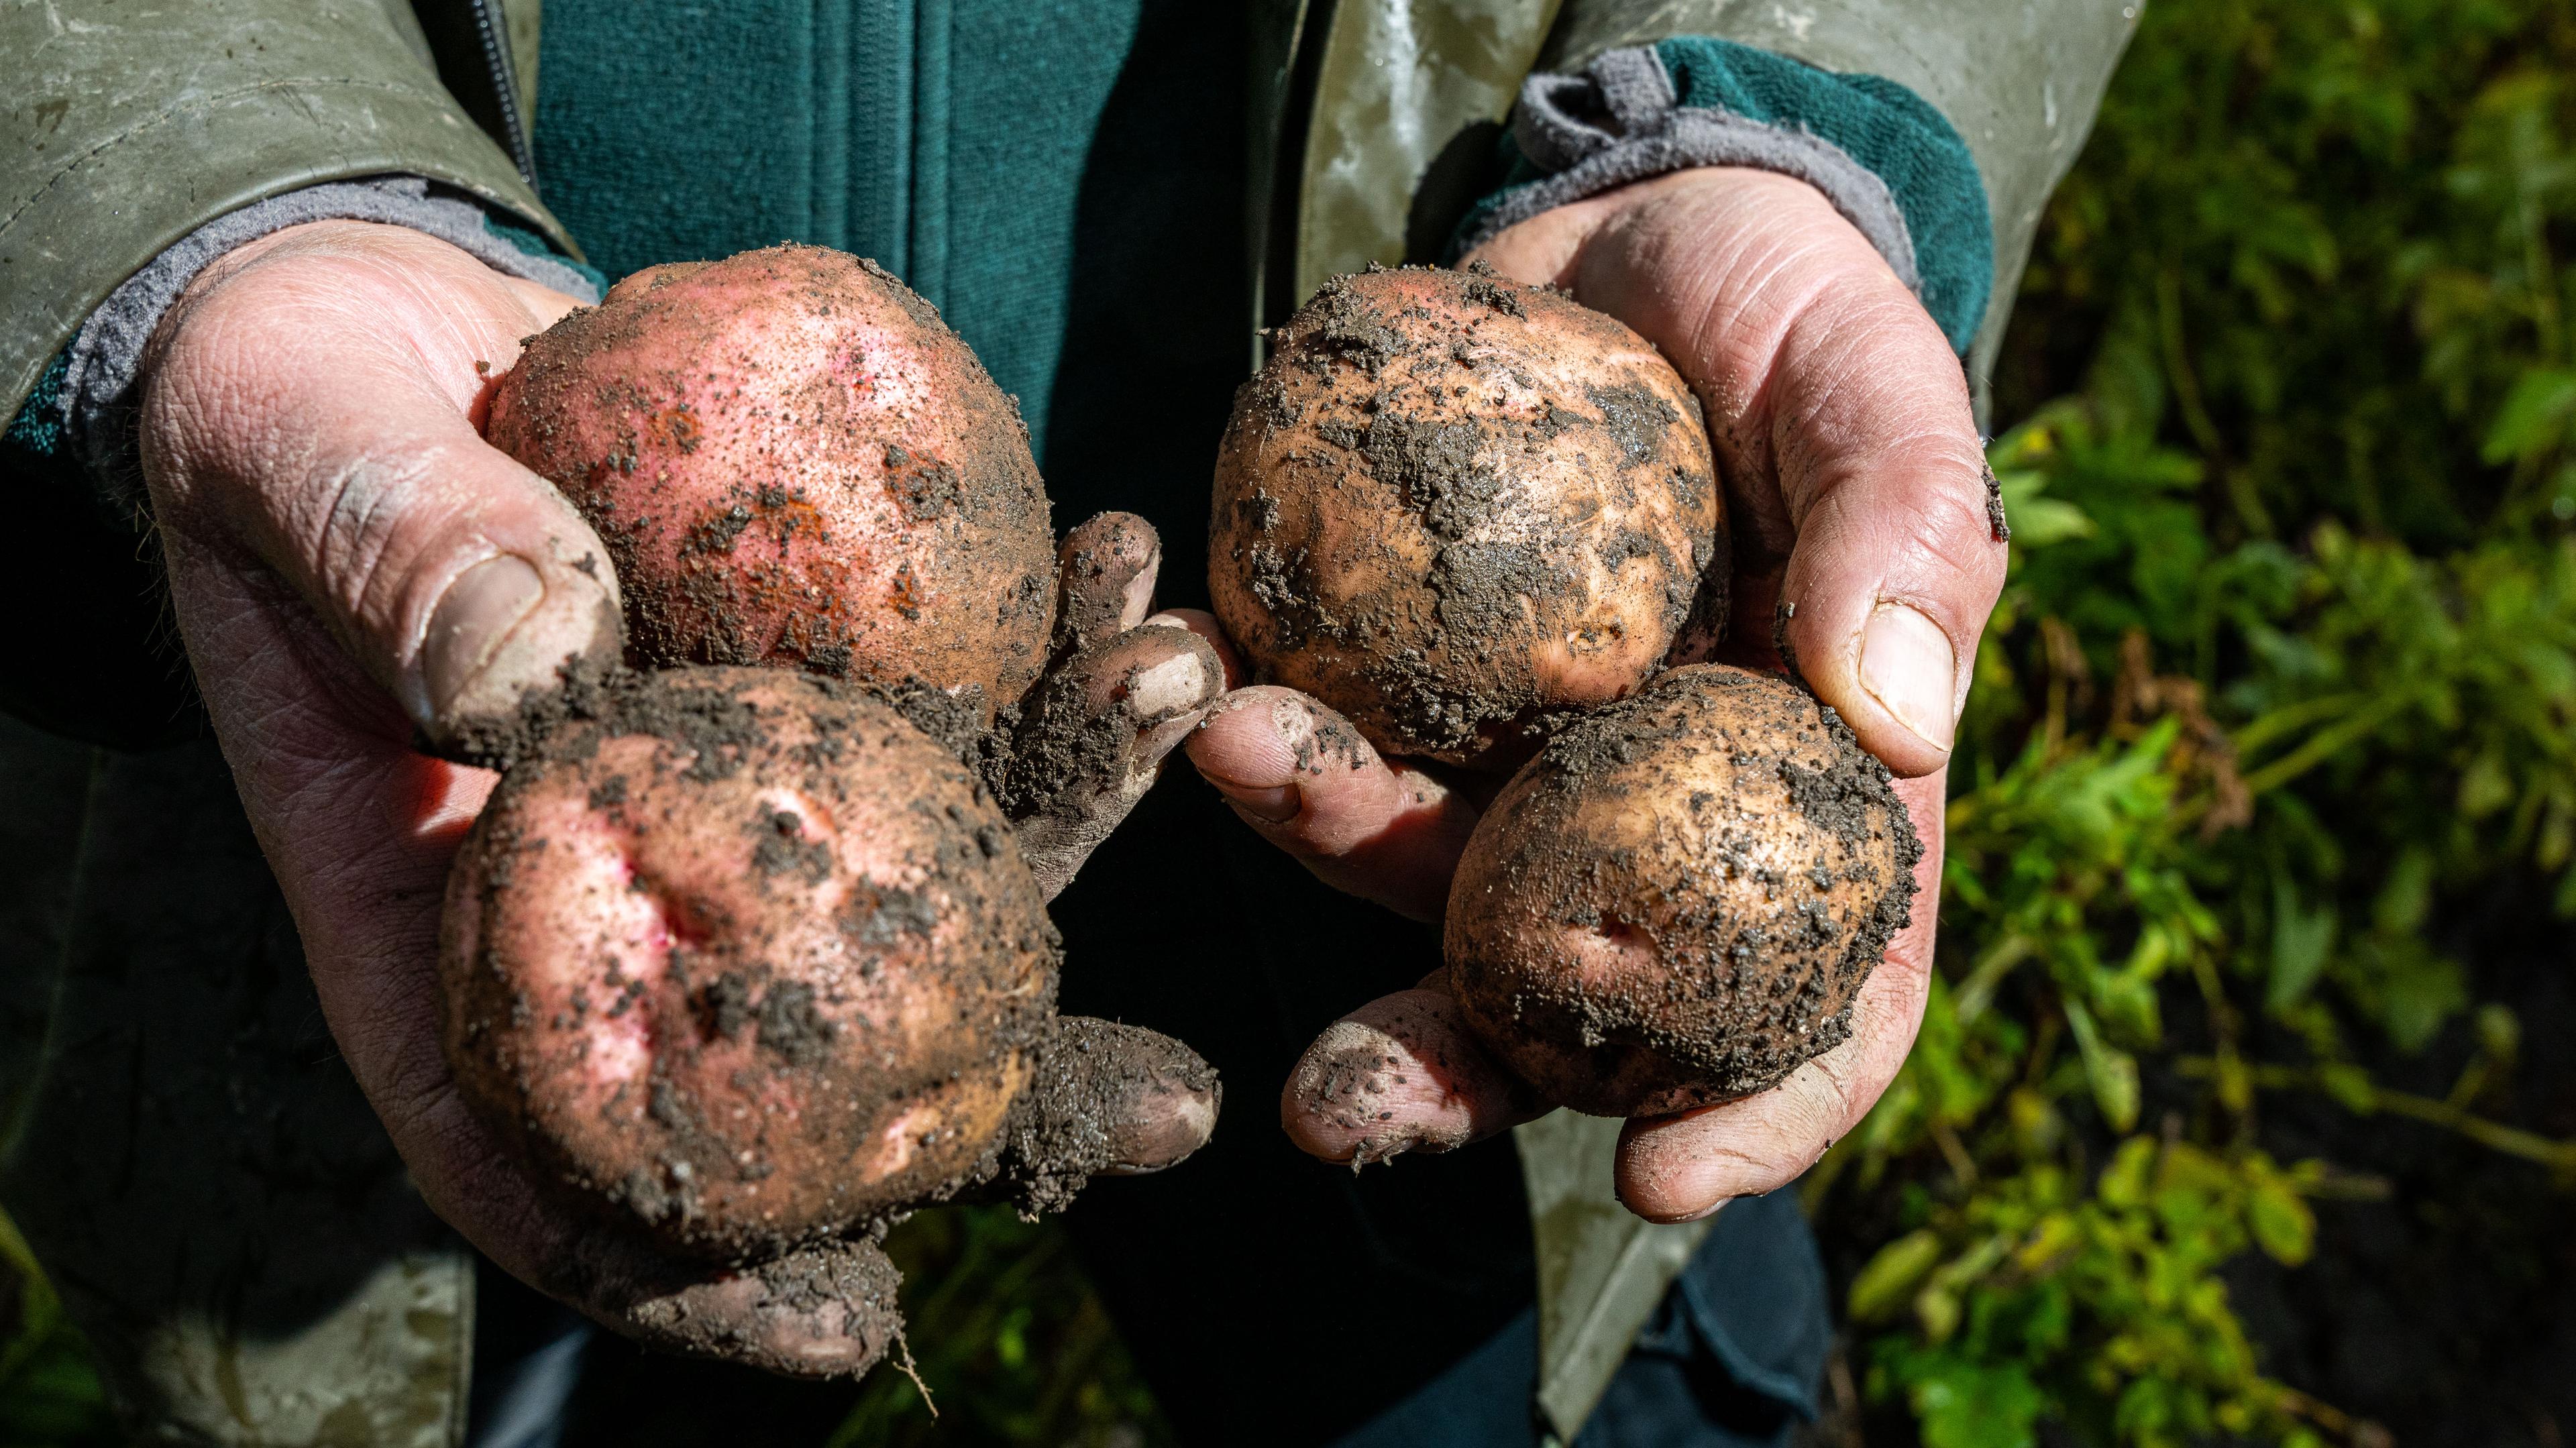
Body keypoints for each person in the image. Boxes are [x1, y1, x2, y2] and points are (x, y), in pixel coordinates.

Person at [0, 2, 2135, 1443]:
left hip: (1394, 795)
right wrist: (194, 216)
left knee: (1490, 1358)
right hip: (406, 702)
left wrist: (1770, 116)